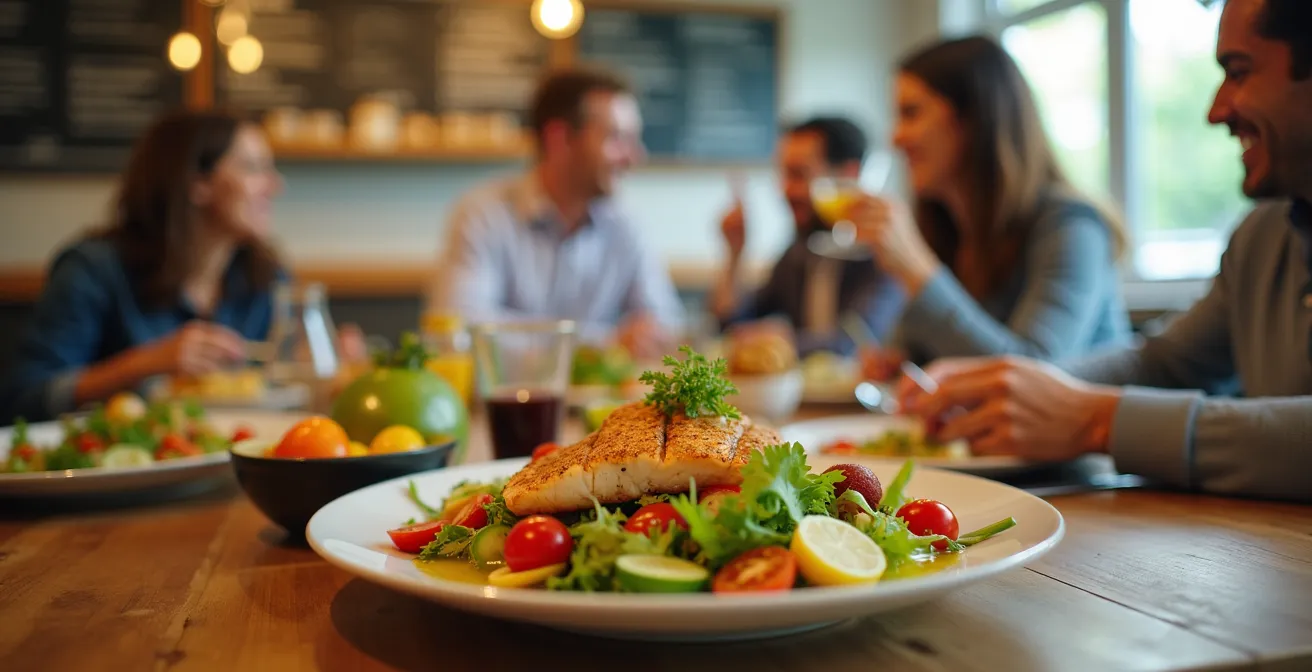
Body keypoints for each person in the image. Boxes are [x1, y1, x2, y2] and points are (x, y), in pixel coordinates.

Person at [896, 0, 1312, 502]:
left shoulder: (1069, 223)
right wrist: (999, 388)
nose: (1215, 109)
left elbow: (1052, 362)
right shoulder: (1262, 236)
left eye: (1239, 72)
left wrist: (1098, 420)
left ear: (972, 120)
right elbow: (1162, 363)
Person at [850, 36, 1133, 380]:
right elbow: (925, 354)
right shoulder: (947, 228)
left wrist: (918, 269)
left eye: (911, 113)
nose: (895, 137)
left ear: (974, 120)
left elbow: (1032, 375)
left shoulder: (1071, 225)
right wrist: (897, 364)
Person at [0, 110, 286, 424]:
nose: (274, 185)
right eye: (253, 168)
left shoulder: (263, 277)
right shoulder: (94, 270)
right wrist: (144, 364)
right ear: (196, 181)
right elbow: (23, 399)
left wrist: (328, 361)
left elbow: (280, 381)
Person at [427, 67, 683, 360]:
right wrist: (601, 343)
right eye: (616, 138)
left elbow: (665, 323)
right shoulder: (483, 214)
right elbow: (458, 328)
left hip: (602, 404)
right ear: (559, 139)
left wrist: (647, 336)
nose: (635, 156)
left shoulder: (625, 224)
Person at [709, 117, 905, 356]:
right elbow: (731, 323)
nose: (785, 189)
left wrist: (779, 341)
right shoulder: (798, 252)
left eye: (798, 175)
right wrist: (734, 253)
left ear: (848, 174)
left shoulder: (884, 254)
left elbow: (855, 343)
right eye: (784, 174)